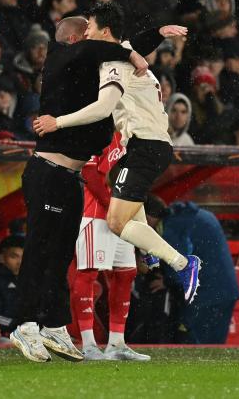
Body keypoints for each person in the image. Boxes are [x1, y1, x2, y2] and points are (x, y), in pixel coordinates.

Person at [9, 8, 158, 363]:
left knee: (61, 254)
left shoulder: (85, 61)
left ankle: (54, 325)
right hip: (48, 171)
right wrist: (131, 54)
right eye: (88, 32)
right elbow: (99, 49)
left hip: (69, 177)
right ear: (76, 38)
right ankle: (24, 324)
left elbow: (112, 45)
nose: (93, 37)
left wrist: (156, 36)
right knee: (39, 249)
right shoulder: (62, 55)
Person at [33, 3, 201, 318]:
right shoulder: (121, 53)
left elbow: (103, 106)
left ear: (104, 31)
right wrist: (161, 32)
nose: (86, 34)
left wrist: (58, 121)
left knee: (116, 221)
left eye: (91, 28)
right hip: (143, 146)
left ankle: (182, 263)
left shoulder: (114, 61)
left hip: (144, 146)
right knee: (119, 189)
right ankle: (149, 250)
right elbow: (137, 44)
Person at [72, 132, 150, 361]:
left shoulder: (132, 134)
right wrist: (113, 206)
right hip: (95, 214)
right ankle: (87, 344)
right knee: (88, 274)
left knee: (126, 274)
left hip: (121, 214)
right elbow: (89, 173)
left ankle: (116, 343)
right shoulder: (99, 127)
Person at [144, 196, 239, 344]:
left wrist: (168, 281)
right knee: (214, 348)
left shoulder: (172, 227)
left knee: (194, 345)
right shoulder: (192, 215)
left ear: (148, 217)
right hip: (225, 290)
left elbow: (180, 265)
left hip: (206, 296)